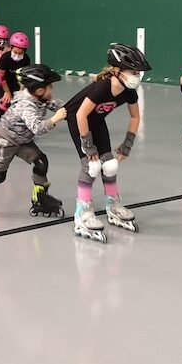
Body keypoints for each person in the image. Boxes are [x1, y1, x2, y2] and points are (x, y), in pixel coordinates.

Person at [65, 43, 150, 243]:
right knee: (91, 166)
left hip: (97, 121)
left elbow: (135, 117)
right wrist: (88, 145)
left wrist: (127, 144)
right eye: (133, 72)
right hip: (78, 121)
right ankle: (82, 213)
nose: (137, 76)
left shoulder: (128, 90)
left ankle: (113, 205)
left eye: (138, 73)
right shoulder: (103, 87)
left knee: (110, 165)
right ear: (117, 71)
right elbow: (80, 114)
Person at [0, 64, 67, 219]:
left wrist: (72, 108)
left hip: (22, 139)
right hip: (5, 140)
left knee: (41, 162)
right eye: (50, 87)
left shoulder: (39, 97)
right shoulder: (26, 106)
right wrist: (55, 119)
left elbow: (54, 104)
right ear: (39, 90)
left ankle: (40, 197)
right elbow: (37, 128)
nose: (52, 90)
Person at [0, 31, 31, 126]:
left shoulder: (26, 59)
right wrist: (7, 92)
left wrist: (21, 90)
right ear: (11, 47)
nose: (17, 55)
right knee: (5, 102)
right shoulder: (5, 58)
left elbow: (24, 76)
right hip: (3, 82)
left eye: (20, 53)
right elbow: (1, 76)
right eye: (15, 52)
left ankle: (18, 126)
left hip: (16, 82)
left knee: (20, 102)